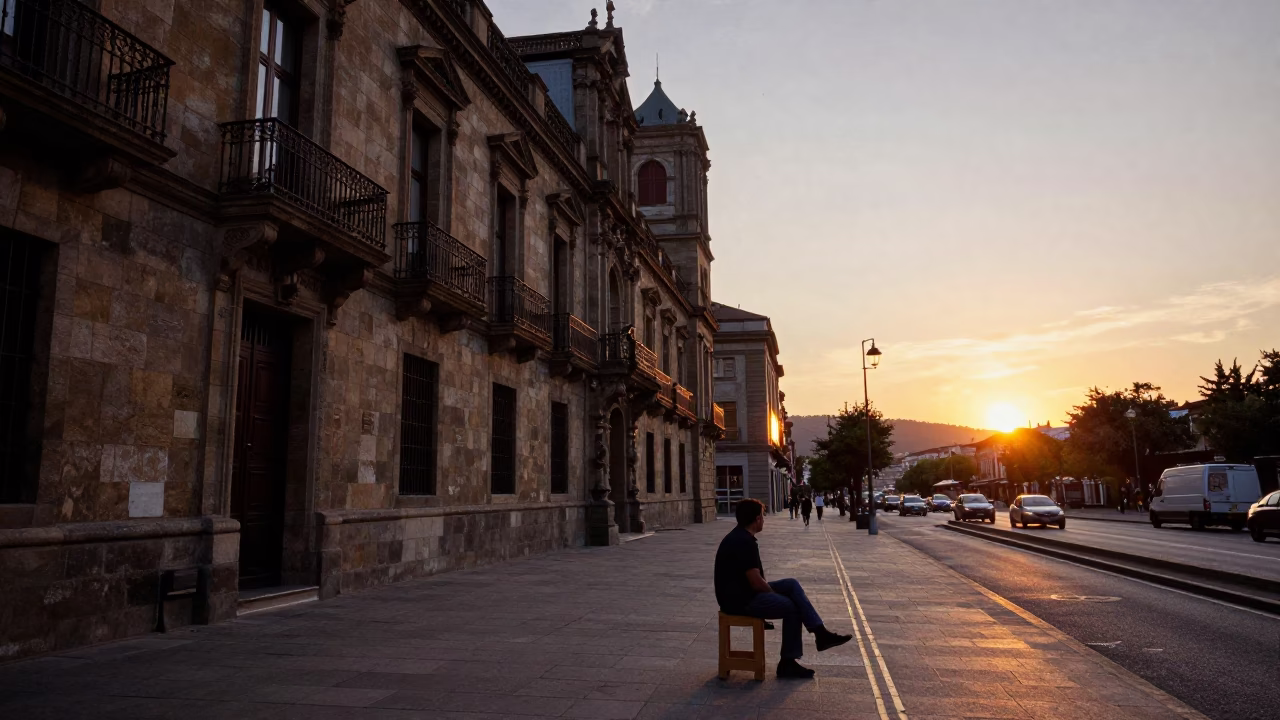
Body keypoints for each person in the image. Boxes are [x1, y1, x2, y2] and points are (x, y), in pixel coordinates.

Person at [714, 499, 853, 678]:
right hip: (740, 600)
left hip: (742, 592)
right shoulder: (743, 542)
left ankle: (820, 633)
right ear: (757, 519)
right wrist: (773, 595)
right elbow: (756, 582)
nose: (764, 520)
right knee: (791, 607)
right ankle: (788, 662)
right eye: (763, 516)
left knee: (791, 584)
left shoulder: (739, 536)